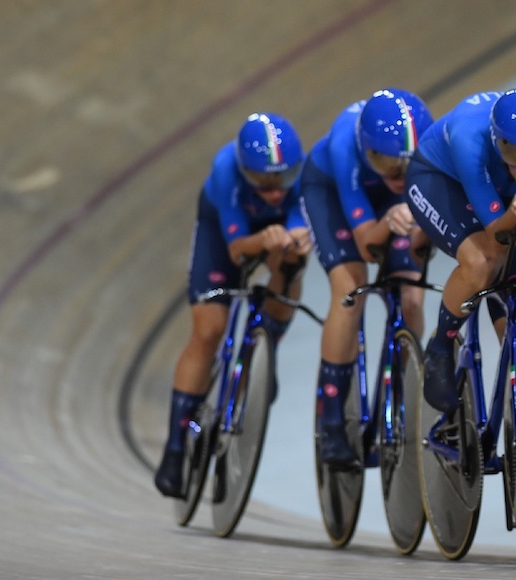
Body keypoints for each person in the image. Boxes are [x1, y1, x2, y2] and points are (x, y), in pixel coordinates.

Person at [154, 112, 312, 497]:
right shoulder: (226, 169)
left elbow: (298, 222)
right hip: (224, 235)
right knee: (209, 330)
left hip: (275, 236)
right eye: (264, 181)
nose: (276, 191)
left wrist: (296, 240)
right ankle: (175, 449)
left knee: (291, 264)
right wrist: (265, 239)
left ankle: (266, 348)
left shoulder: (304, 175)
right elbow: (237, 249)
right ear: (245, 171)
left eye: (284, 179)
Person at [406, 87, 516, 415]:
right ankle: (440, 348)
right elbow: (498, 236)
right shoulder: (469, 138)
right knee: (484, 261)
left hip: (503, 186)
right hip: (440, 180)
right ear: (499, 143)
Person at [302, 88, 434, 468]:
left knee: (411, 297)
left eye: (406, 166)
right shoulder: (346, 147)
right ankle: (331, 422)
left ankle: (403, 393)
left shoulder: (426, 152)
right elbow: (366, 246)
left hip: (392, 208)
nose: (397, 173)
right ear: (366, 149)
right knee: (350, 290)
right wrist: (391, 222)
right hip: (332, 194)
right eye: (385, 162)